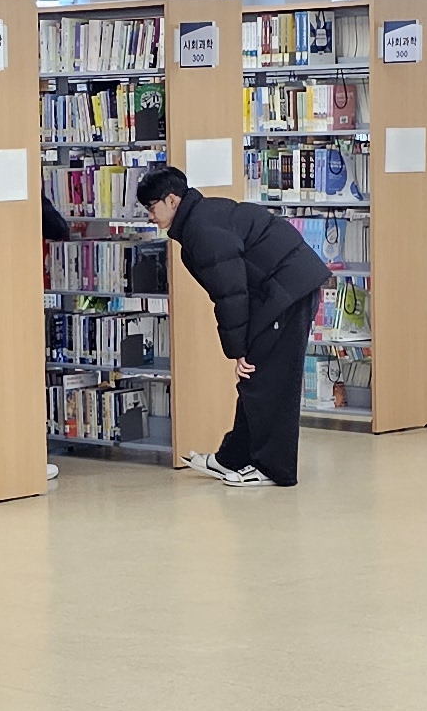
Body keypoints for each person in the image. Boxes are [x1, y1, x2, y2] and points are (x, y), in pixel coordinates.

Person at [136, 162, 327, 489]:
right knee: (258, 379)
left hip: (287, 291)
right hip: (280, 288)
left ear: (172, 200)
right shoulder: (201, 218)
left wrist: (239, 349)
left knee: (269, 381)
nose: (150, 217)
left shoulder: (202, 231)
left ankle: (273, 469)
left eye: (152, 208)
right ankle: (233, 458)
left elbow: (230, 293)